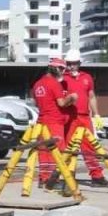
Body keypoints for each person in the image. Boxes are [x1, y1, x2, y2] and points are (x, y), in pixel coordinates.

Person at [61, 50, 108, 187]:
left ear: (79, 63)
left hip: (84, 117)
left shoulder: (87, 77)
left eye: (74, 64)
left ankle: (97, 176)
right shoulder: (62, 78)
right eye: (69, 64)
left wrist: (96, 114)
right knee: (70, 147)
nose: (72, 66)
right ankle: (68, 176)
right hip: (70, 117)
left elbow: (91, 97)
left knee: (89, 147)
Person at [32, 57, 77, 186]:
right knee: (57, 151)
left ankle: (43, 178)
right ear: (55, 68)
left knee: (43, 151)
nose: (63, 72)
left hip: (41, 121)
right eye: (62, 68)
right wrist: (72, 98)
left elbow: (37, 103)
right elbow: (61, 103)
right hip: (54, 122)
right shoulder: (54, 83)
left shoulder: (37, 84)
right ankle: (52, 180)